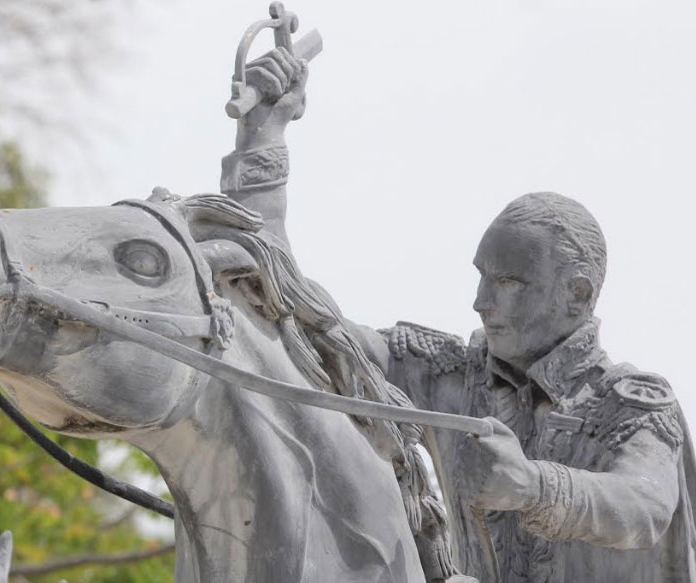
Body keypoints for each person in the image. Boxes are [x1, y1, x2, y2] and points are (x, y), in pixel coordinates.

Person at [224, 48, 696, 583]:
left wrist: (533, 485)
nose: (480, 301)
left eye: (509, 281)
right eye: (481, 275)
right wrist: (262, 137)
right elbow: (297, 312)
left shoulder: (629, 403)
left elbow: (644, 507)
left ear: (577, 293)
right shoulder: (445, 374)